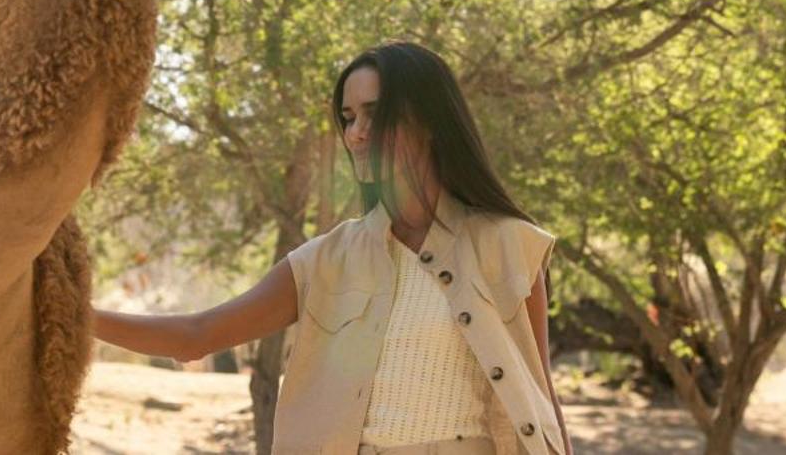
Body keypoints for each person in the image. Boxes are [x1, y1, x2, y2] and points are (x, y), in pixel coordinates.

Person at [93, 41, 570, 455]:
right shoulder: (325, 261)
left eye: (374, 113)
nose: (356, 132)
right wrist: (73, 315)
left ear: (428, 120)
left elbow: (541, 399)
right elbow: (194, 336)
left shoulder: (509, 246)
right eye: (348, 117)